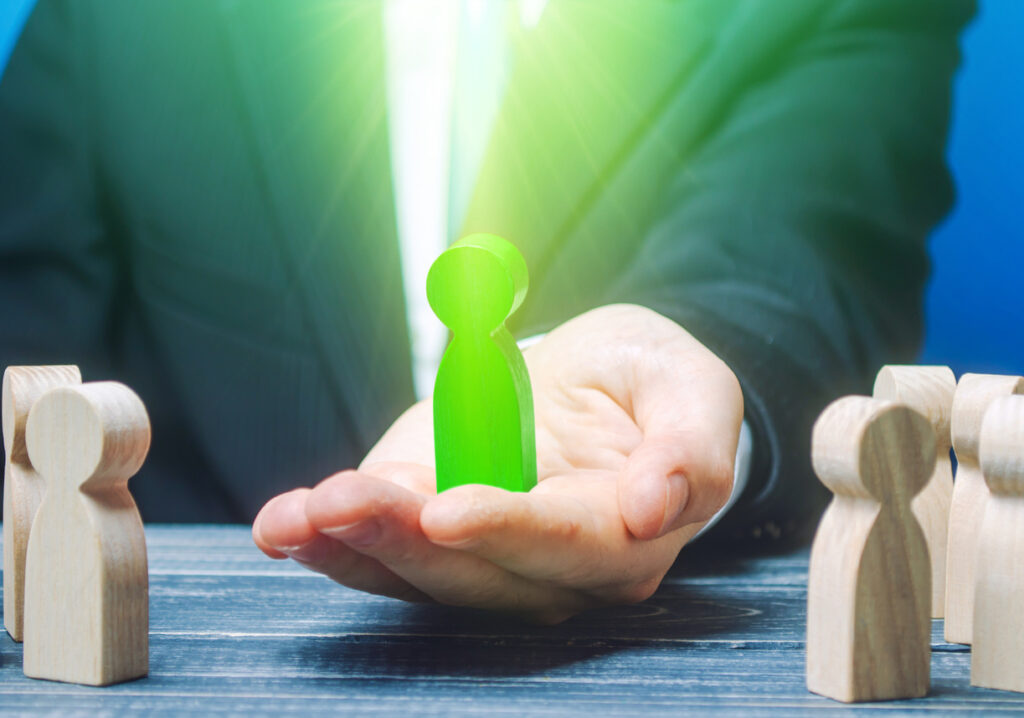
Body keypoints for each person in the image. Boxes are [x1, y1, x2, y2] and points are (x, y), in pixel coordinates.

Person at [0, 0, 973, 623]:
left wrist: (689, 385)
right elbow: (29, 337)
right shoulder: (111, 22)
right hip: (198, 645)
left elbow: (802, 256)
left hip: (647, 654)